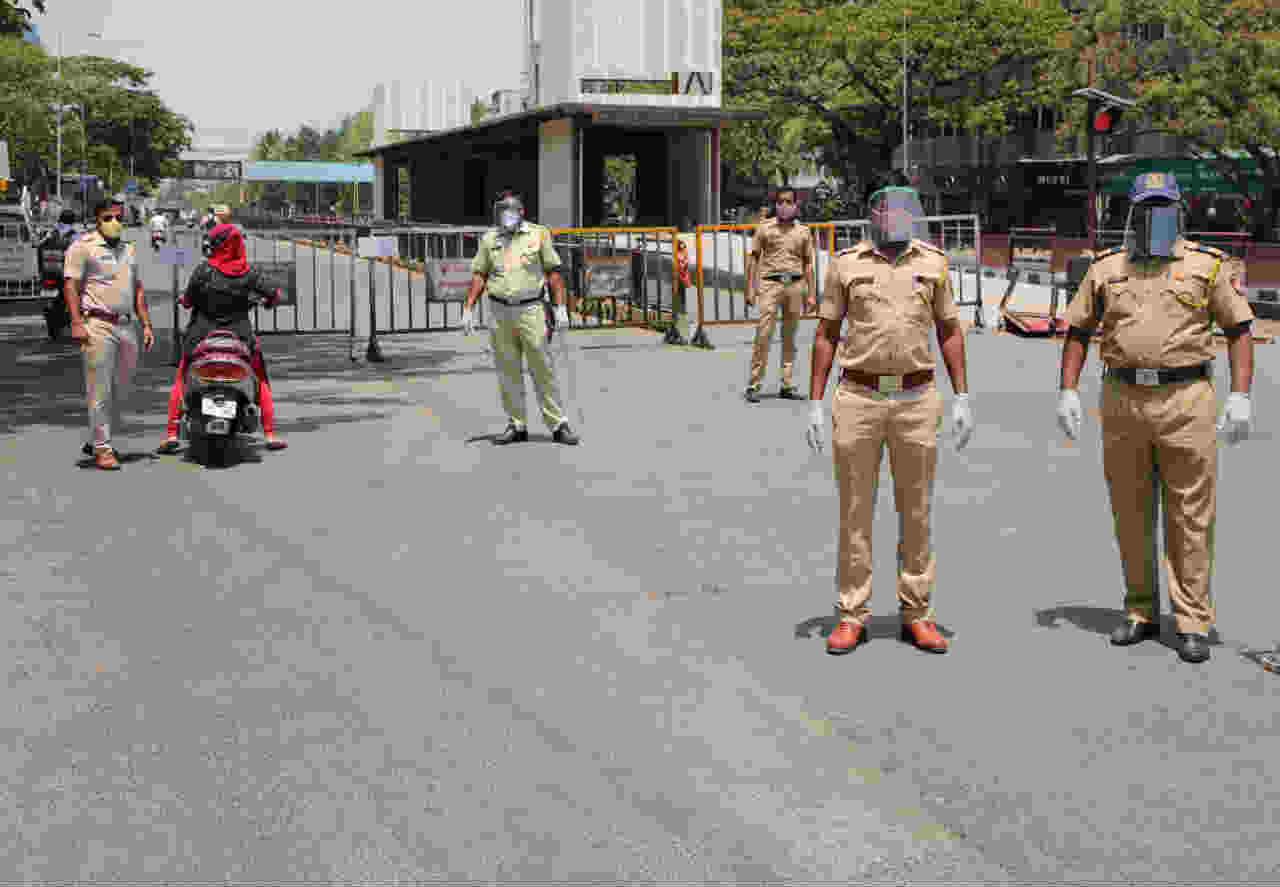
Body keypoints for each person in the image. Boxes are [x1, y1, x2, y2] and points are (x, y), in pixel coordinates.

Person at [1056, 171, 1254, 664]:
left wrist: (1241, 395)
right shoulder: (1107, 268)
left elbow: (1240, 328)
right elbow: (1079, 330)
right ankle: (1140, 609)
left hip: (1186, 397)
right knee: (1131, 509)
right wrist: (1067, 391)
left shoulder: (1208, 267)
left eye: (1164, 208)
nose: (1154, 216)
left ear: (1179, 212)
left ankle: (1191, 619)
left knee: (1190, 514)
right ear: (1133, 213)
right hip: (1123, 398)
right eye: (1146, 208)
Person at [806, 186, 974, 655]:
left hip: (916, 397)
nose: (892, 216)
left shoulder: (933, 263)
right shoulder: (846, 264)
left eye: (901, 208)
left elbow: (949, 330)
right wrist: (814, 403)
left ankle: (917, 612)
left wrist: (962, 396)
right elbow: (826, 334)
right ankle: (851, 613)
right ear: (872, 214)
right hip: (858, 396)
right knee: (855, 511)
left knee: (916, 509)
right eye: (883, 207)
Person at [157, 220, 288, 453]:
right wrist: (269, 300)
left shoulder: (204, 270)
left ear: (216, 245)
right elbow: (276, 294)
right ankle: (269, 433)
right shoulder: (249, 272)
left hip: (201, 336)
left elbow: (187, 301)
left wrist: (186, 301)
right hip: (240, 337)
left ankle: (171, 433)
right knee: (262, 379)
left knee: (181, 378)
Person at [461, 189, 580, 445]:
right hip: (499, 311)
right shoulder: (490, 239)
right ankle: (517, 424)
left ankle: (558, 424)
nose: (506, 216)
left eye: (510, 211)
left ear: (521, 213)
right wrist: (468, 308)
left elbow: (553, 272)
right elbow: (480, 274)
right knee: (508, 370)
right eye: (501, 211)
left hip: (531, 310)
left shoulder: (539, 234)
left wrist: (560, 308)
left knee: (542, 367)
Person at [64, 197, 155, 470]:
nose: (114, 223)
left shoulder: (130, 250)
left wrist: (146, 324)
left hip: (127, 326)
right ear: (97, 220)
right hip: (97, 325)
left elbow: (137, 288)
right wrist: (77, 322)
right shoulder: (83, 247)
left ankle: (96, 436)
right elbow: (71, 285)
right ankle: (103, 448)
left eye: (118, 217)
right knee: (99, 389)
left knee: (123, 388)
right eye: (108, 217)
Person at [744, 187, 815, 402]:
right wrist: (750, 288)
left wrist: (811, 294)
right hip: (770, 285)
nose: (784, 206)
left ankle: (787, 383)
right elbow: (754, 258)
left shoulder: (803, 231)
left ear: (796, 205)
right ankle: (754, 384)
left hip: (794, 285)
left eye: (789, 202)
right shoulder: (765, 228)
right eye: (781, 202)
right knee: (764, 333)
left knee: (790, 337)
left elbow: (809, 263)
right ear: (776, 204)